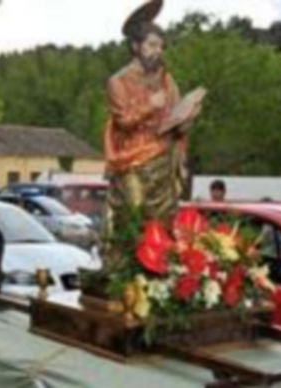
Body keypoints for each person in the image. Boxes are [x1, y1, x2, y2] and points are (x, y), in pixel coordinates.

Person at [102, 0, 204, 274]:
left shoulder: (167, 80)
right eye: (151, 45)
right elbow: (123, 120)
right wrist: (152, 105)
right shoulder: (118, 81)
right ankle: (123, 274)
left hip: (163, 158)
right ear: (135, 46)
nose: (157, 52)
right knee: (132, 215)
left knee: (162, 218)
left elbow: (174, 121)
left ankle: (156, 271)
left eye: (159, 46)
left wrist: (186, 118)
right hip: (133, 159)